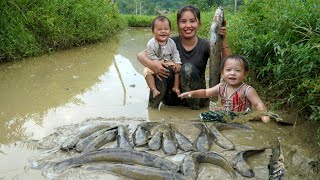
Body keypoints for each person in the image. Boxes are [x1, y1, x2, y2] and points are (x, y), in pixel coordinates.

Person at [137, 5, 231, 109]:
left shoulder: (206, 45)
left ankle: (194, 113)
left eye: (192, 21)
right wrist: (153, 64)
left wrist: (222, 40)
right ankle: (152, 109)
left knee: (187, 68)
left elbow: (228, 64)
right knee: (161, 67)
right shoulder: (169, 42)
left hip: (197, 101)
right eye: (183, 21)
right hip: (170, 101)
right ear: (177, 24)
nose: (188, 25)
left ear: (199, 23)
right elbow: (140, 55)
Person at [178, 55, 270, 122]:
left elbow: (258, 104)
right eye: (228, 70)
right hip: (226, 115)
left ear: (245, 74)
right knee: (204, 116)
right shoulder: (221, 86)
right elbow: (206, 93)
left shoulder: (247, 90)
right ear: (222, 73)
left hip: (242, 117)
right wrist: (191, 93)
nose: (232, 73)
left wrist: (265, 118)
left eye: (237, 70)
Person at [144, 16, 181, 98]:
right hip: (154, 63)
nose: (163, 31)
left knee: (177, 69)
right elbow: (150, 55)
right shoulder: (151, 43)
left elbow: (175, 53)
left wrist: (177, 62)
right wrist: (157, 62)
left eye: (166, 29)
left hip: (168, 61)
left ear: (170, 30)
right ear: (153, 31)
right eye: (159, 29)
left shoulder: (171, 42)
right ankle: (153, 89)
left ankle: (176, 86)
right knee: (147, 71)